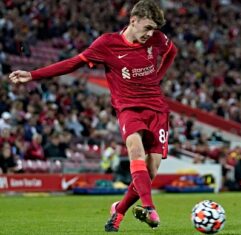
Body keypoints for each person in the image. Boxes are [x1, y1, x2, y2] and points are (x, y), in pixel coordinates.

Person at [9, 0, 177, 232]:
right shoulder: (107, 44)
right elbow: (73, 63)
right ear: (133, 20)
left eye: (153, 29)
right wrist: (33, 75)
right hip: (129, 108)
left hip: (157, 109)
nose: (150, 34)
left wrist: (158, 76)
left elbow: (171, 51)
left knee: (150, 172)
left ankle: (119, 210)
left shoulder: (157, 39)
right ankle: (149, 208)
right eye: (147, 27)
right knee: (134, 149)